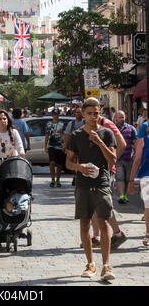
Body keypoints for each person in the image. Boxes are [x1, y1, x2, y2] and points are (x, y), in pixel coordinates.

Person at [67, 98, 117, 281]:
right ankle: (90, 264)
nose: (93, 117)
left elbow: (113, 160)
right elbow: (68, 162)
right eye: (89, 113)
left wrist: (100, 143)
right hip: (82, 183)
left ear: (100, 113)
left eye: (96, 113)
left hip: (102, 182)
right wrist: (79, 168)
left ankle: (106, 265)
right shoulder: (76, 135)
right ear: (83, 113)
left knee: (103, 222)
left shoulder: (106, 133)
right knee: (84, 223)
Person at [128, 129, 149, 247]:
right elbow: (136, 161)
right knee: (148, 206)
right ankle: (148, 232)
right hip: (146, 176)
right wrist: (131, 181)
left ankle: (148, 233)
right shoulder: (143, 140)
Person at [114, 111, 138, 204]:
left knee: (127, 178)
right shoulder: (114, 129)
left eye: (123, 117)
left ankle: (124, 195)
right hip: (118, 158)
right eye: (120, 117)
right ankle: (121, 196)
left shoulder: (131, 128)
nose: (122, 119)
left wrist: (136, 153)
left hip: (129, 157)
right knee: (120, 177)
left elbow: (136, 141)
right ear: (116, 118)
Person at [63, 107, 84, 186]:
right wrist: (65, 145)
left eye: (80, 112)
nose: (78, 114)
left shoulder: (85, 122)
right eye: (77, 112)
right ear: (74, 114)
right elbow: (66, 135)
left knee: (81, 162)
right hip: (73, 146)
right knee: (73, 162)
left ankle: (79, 177)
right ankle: (75, 176)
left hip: (83, 146)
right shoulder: (71, 124)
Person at [44, 111, 66, 187]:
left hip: (60, 146)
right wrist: (45, 146)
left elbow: (64, 135)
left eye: (57, 114)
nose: (55, 116)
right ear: (52, 115)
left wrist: (65, 145)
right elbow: (47, 135)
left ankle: (58, 179)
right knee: (52, 162)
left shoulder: (62, 124)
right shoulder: (49, 124)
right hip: (51, 145)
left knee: (59, 164)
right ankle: (52, 179)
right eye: (54, 114)